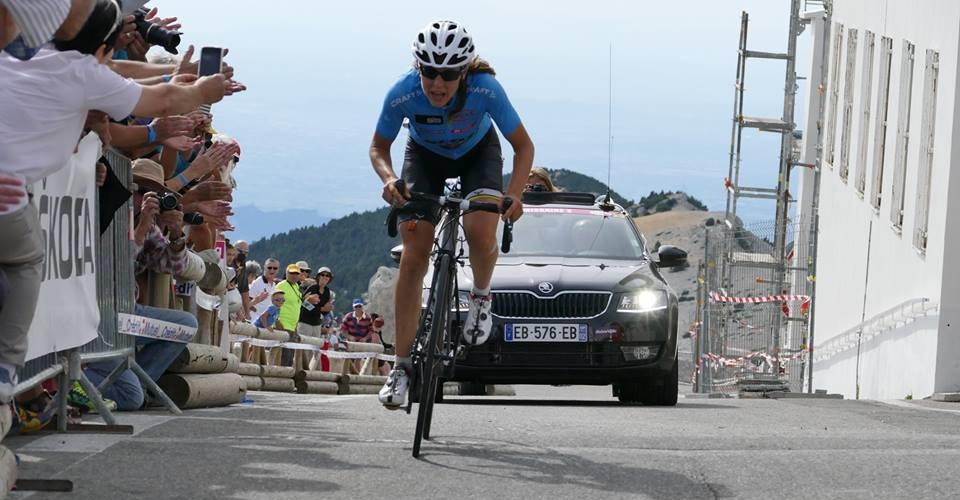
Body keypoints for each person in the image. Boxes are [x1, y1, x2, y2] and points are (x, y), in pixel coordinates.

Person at [0, 0, 227, 401]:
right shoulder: (85, 72)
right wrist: (204, 91)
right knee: (27, 262)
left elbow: (123, 71)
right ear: (105, 47)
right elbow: (160, 101)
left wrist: (172, 74)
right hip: (8, 191)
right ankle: (6, 372)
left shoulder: (29, 56)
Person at [370, 20, 534, 408]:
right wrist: (390, 178)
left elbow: (523, 147)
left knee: (481, 228)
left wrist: (513, 194)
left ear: (464, 71)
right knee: (413, 257)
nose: (437, 84)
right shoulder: (403, 94)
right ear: (418, 69)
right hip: (425, 158)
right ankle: (403, 366)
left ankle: (480, 296)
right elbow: (379, 147)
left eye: (447, 74)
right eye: (429, 72)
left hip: (479, 154)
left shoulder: (486, 90)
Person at [297, 267, 332, 339]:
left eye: (327, 275)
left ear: (329, 278)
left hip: (317, 324)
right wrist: (321, 309)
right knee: (302, 347)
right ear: (318, 276)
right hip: (304, 322)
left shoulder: (327, 291)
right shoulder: (312, 288)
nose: (325, 277)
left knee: (314, 347)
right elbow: (303, 303)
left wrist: (328, 309)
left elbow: (324, 311)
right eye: (323, 275)